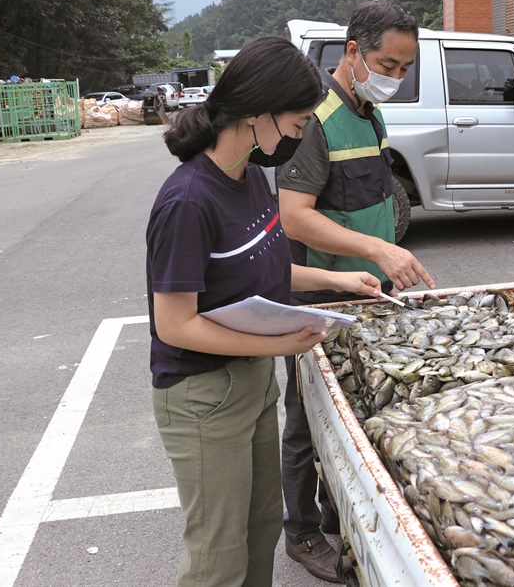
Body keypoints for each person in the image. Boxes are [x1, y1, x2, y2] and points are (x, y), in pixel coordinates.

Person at [146, 35, 383, 587]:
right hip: (202, 396)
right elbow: (174, 324)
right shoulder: (187, 201)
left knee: (259, 528)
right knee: (218, 554)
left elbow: (264, 270)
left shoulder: (251, 177)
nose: (300, 137)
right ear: (257, 115)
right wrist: (281, 344)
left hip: (249, 380)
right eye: (298, 124)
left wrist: (336, 276)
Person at [275, 0, 436, 582]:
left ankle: (335, 510)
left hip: (369, 293)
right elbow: (293, 216)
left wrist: (388, 252)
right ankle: (301, 532)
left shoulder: (370, 112)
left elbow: (369, 200)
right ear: (352, 52)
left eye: (403, 68)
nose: (395, 77)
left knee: (356, 415)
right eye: (386, 64)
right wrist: (376, 248)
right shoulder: (316, 118)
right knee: (305, 419)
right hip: (321, 294)